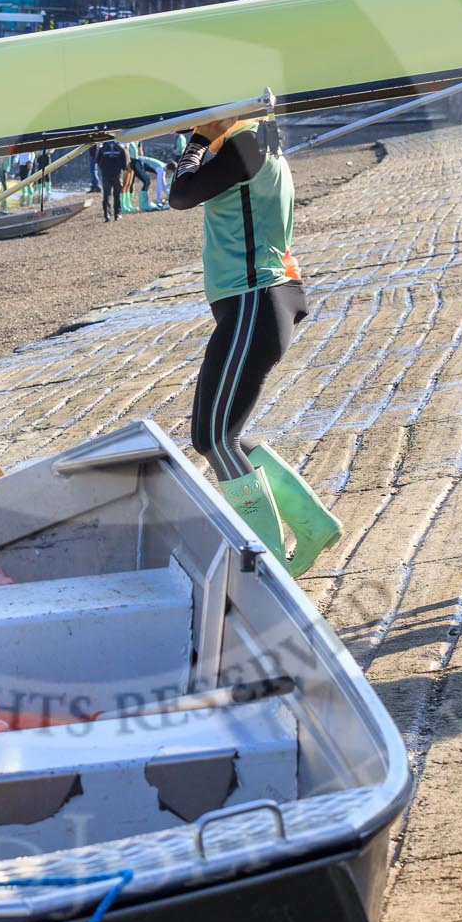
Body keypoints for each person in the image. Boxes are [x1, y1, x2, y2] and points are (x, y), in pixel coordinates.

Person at [169, 114, 342, 577]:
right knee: (227, 434)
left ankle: (266, 567)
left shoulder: (247, 145)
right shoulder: (258, 144)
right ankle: (312, 525)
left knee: (212, 436)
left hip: (254, 300)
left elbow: (180, 194)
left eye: (207, 115)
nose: (199, 121)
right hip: (255, 302)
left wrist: (198, 143)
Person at [94, 138, 129, 222]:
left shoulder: (102, 149)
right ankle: (117, 214)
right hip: (117, 174)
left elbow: (97, 160)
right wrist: (121, 169)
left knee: (107, 195)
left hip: (106, 174)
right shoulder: (120, 148)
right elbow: (125, 163)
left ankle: (107, 215)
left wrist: (103, 169)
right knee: (117, 195)